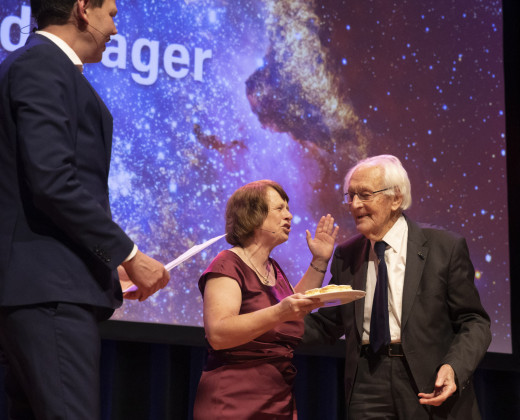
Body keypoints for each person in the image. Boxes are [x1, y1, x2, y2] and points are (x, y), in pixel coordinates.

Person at [0, 0, 170, 418]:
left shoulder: (36, 66)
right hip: (49, 292)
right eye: (111, 14)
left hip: (43, 288)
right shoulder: (42, 66)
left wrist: (100, 264)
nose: (114, 29)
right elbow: (52, 182)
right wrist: (128, 256)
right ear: (83, 10)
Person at [303, 155, 491, 419]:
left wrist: (454, 367)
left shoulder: (443, 247)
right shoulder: (346, 254)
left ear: (396, 199)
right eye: (351, 195)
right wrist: (269, 325)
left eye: (365, 195)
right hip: (367, 382)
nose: (355, 204)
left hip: (427, 378)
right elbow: (329, 323)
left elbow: (474, 321)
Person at [192, 180, 339, 419]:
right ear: (253, 215)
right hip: (233, 401)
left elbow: (296, 308)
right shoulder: (227, 263)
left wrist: (320, 261)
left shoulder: (274, 270)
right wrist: (280, 312)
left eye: (288, 209)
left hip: (277, 399)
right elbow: (218, 334)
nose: (289, 216)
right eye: (279, 209)